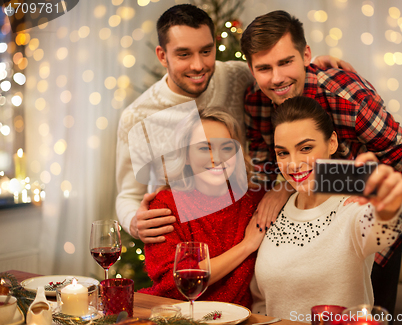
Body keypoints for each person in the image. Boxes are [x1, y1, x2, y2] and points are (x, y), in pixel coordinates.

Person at [240, 10, 402, 316]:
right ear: (251, 69)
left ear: (306, 54)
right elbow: (268, 166)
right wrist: (283, 186)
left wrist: (385, 209)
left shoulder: (348, 97)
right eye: (264, 68)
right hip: (307, 233)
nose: (277, 78)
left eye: (286, 62)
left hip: (367, 229)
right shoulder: (255, 102)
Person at [115, 4, 352, 244]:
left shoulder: (238, 76)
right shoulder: (137, 117)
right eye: (184, 54)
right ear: (162, 55)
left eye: (206, 51)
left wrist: (316, 65)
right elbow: (128, 194)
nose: (198, 65)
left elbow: (280, 70)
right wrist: (134, 222)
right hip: (184, 236)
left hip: (247, 222)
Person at [251, 96, 402, 319]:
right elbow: (261, 301)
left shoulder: (353, 209)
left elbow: (382, 231)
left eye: (305, 148)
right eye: (283, 153)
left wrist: (389, 205)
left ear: (332, 143)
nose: (293, 163)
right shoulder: (274, 210)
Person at [141, 107, 266, 309]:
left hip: (239, 320)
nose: (217, 158)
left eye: (226, 148)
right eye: (204, 148)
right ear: (187, 156)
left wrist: (281, 192)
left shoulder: (253, 199)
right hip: (180, 318)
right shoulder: (167, 205)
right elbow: (173, 285)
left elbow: (305, 185)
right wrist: (246, 246)